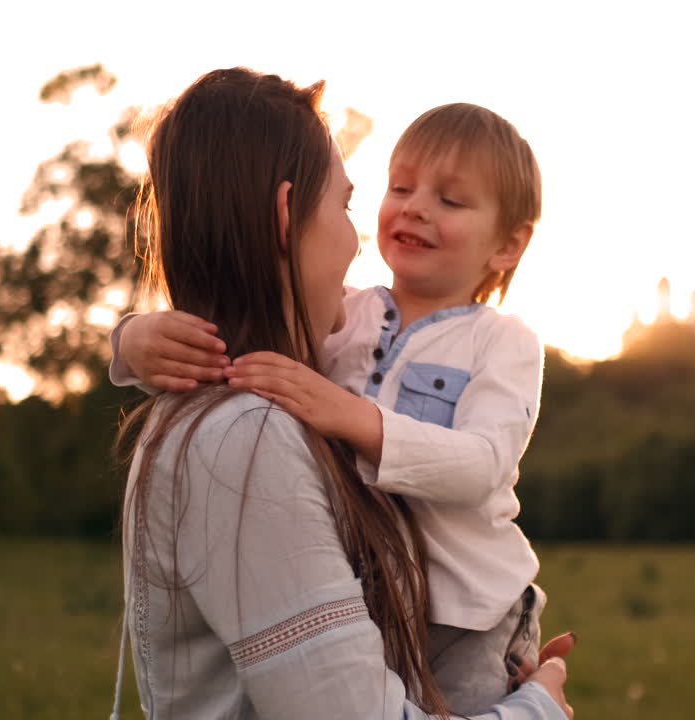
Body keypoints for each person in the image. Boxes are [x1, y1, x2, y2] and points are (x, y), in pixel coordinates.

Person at [115, 67, 572, 719]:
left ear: (507, 243)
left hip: (476, 611)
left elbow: (483, 462)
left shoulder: (500, 341)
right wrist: (132, 340)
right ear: (284, 214)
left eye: (450, 199)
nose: (402, 214)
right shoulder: (248, 436)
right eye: (361, 199)